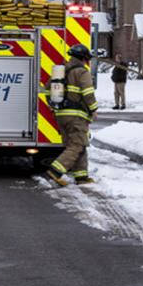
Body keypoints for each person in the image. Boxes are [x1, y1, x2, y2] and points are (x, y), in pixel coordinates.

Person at [46, 44, 98, 186]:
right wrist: (94, 109)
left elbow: (47, 89)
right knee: (77, 145)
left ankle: (81, 176)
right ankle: (55, 170)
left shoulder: (61, 72)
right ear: (83, 59)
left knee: (77, 145)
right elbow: (88, 93)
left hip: (61, 115)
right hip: (76, 116)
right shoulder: (82, 72)